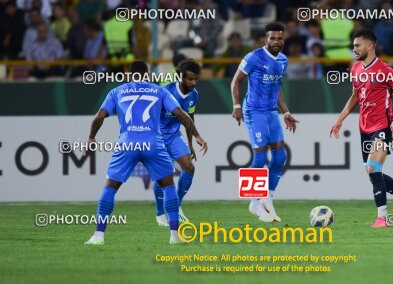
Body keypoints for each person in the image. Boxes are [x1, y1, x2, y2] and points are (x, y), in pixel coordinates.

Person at [84, 61, 207, 245]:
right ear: (147, 74)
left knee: (110, 187)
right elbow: (182, 115)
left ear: (128, 74)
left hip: (127, 144)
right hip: (153, 143)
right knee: (168, 187)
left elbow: (99, 117)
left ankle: (98, 236)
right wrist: (197, 136)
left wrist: (91, 138)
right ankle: (174, 236)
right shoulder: (160, 91)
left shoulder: (117, 91)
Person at [329, 29, 393, 228]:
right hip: (364, 129)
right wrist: (340, 120)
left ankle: (382, 218)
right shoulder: (356, 69)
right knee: (372, 174)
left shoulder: (386, 71)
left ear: (370, 46)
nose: (354, 49)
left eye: (357, 45)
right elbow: (354, 97)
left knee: (373, 169)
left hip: (383, 126)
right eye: (353, 45)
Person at [230, 22, 299, 223]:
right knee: (260, 159)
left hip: (271, 112)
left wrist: (286, 112)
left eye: (279, 38)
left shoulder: (283, 60)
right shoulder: (253, 57)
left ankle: (267, 196)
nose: (276, 42)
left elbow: (277, 87)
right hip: (253, 111)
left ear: (283, 39)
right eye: (272, 38)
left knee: (279, 157)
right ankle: (254, 202)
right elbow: (236, 81)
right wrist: (236, 106)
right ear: (265, 39)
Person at [153, 58, 207, 226]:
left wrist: (190, 143)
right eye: (190, 79)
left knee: (189, 167)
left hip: (174, 135)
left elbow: (189, 118)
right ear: (180, 77)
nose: (193, 83)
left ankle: (176, 205)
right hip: (158, 136)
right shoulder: (165, 91)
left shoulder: (194, 95)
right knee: (164, 174)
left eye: (196, 79)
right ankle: (160, 213)